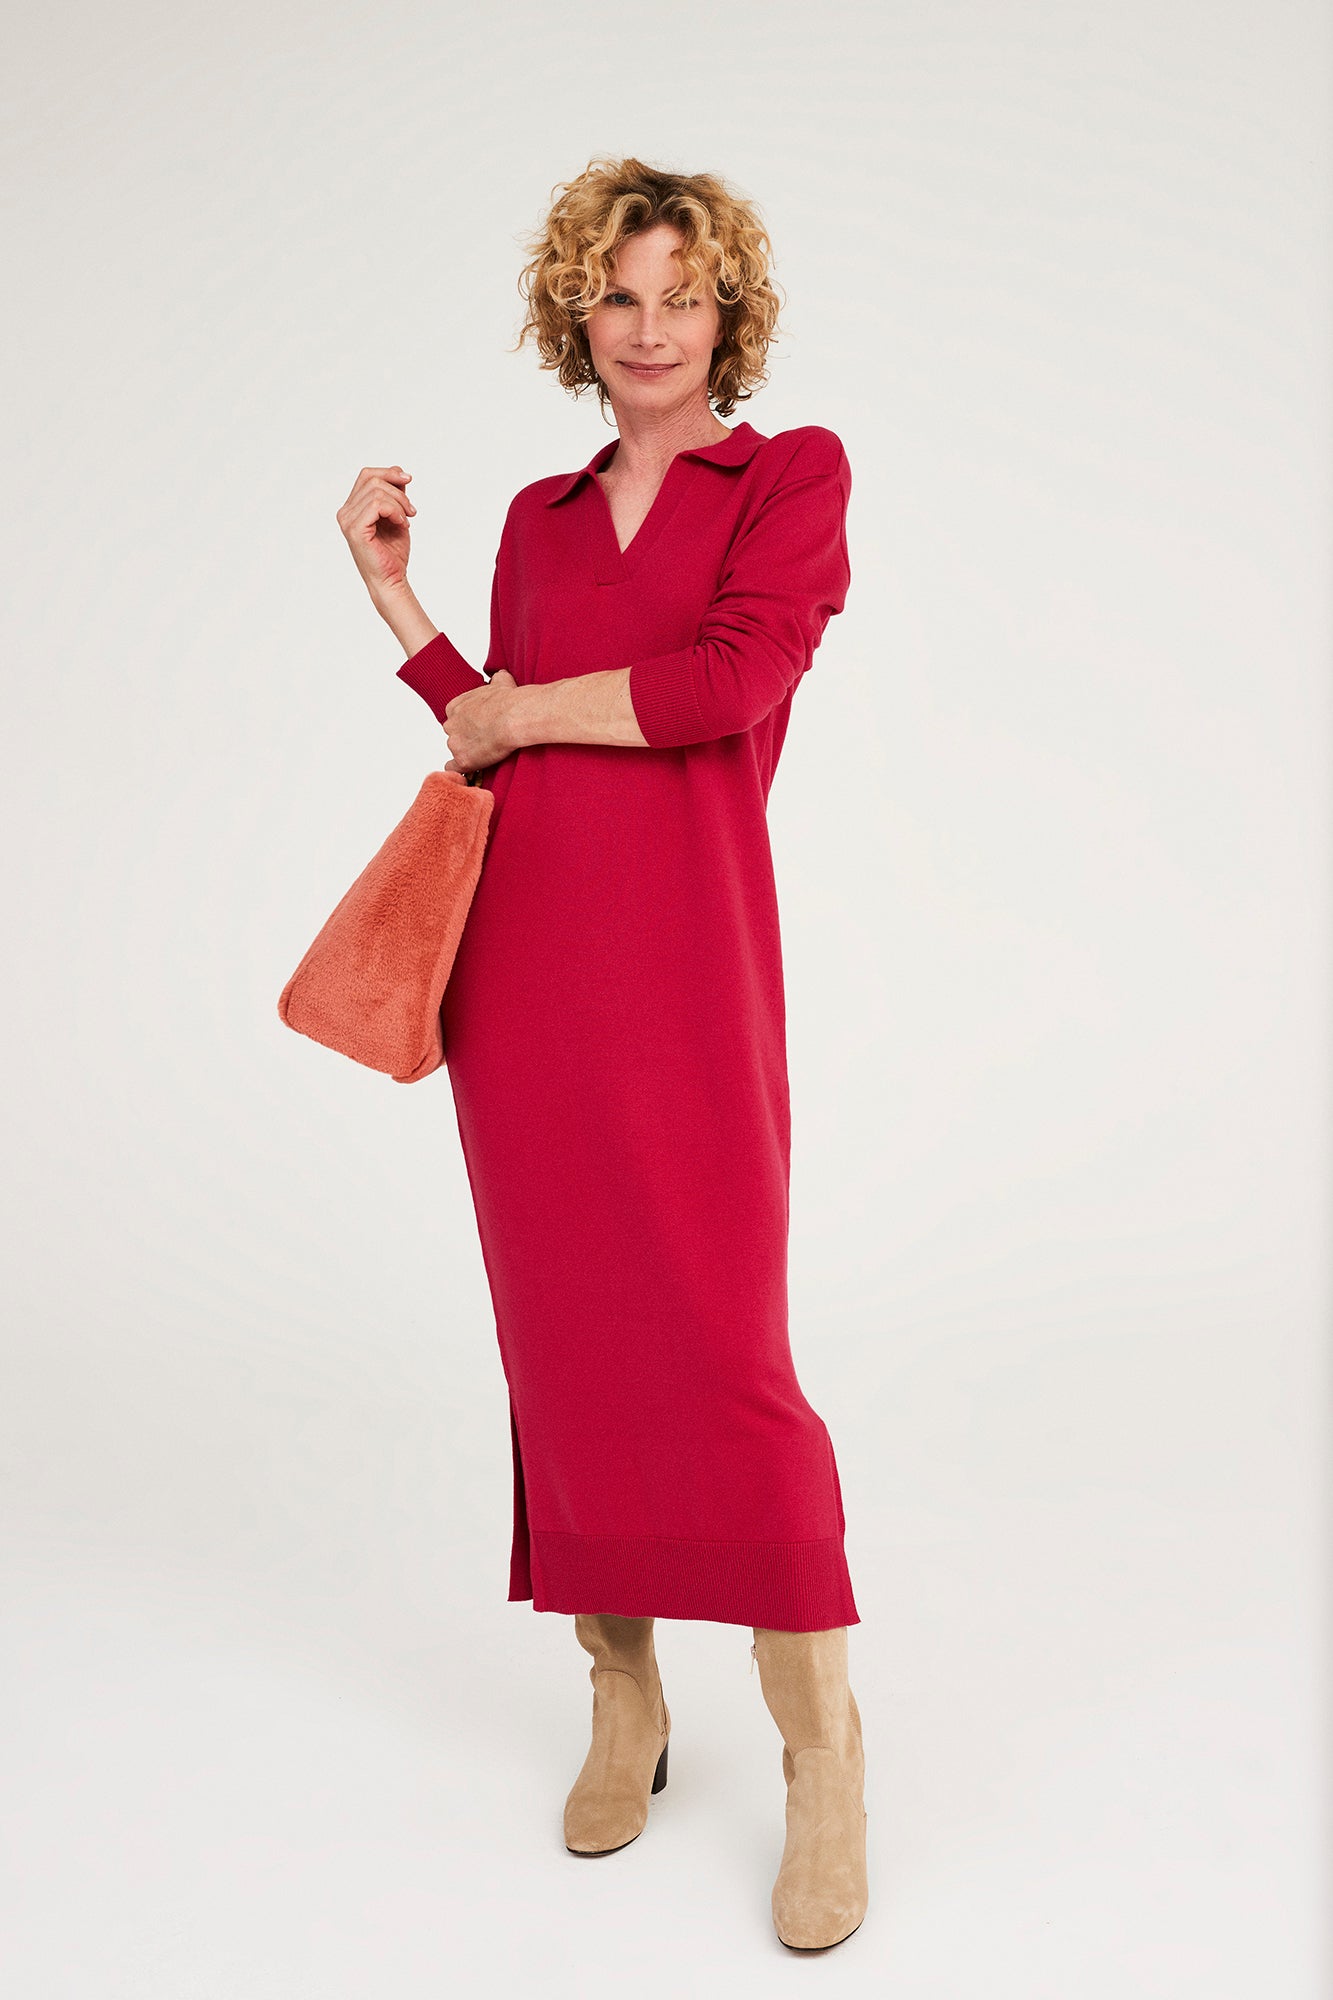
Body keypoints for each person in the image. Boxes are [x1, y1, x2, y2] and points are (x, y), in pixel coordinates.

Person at [336, 155, 868, 1952]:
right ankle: (622, 1699)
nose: (650, 329)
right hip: (526, 983)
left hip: (688, 975)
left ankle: (821, 1756)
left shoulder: (786, 477)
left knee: (722, 1352)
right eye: (620, 296)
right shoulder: (540, 517)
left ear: (729, 317)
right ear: (579, 313)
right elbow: (492, 745)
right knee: (566, 1347)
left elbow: (722, 684)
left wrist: (515, 704)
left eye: (682, 297)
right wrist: (405, 612)